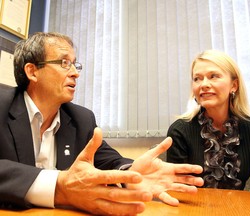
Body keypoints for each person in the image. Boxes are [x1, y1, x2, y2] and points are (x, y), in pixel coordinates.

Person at [0, 32, 204, 215]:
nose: (75, 73)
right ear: (32, 71)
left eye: (75, 64)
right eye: (64, 63)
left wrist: (130, 174)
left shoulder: (81, 119)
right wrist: (59, 185)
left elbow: (109, 161)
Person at [166, 49, 250, 194]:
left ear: (234, 85)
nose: (203, 84)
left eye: (213, 76)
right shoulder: (179, 131)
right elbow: (176, 190)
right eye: (197, 78)